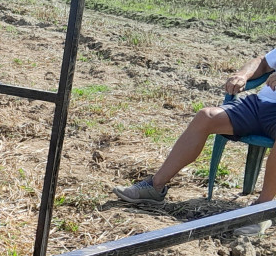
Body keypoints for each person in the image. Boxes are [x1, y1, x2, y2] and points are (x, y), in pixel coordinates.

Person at [113, 49, 276, 236]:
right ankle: (155, 187)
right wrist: (242, 74)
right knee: (205, 116)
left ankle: (262, 210)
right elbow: (263, 62)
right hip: (259, 105)